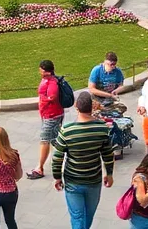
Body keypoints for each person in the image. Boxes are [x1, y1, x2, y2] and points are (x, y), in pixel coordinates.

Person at [52, 90, 115, 229]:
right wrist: (109, 174)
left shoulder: (66, 131)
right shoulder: (101, 128)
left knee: (77, 217)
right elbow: (108, 154)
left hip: (73, 180)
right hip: (94, 180)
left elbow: (57, 158)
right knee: (88, 215)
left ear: (76, 107)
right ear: (92, 107)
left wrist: (57, 177)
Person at [29, 60, 63, 180]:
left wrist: (43, 99)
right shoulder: (48, 80)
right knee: (55, 141)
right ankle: (70, 158)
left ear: (44, 70)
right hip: (48, 115)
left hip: (51, 116)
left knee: (44, 140)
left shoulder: (52, 82)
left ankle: (40, 168)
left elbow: (52, 97)